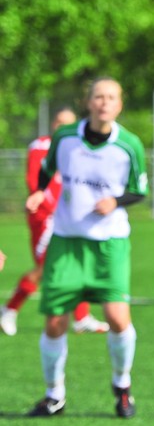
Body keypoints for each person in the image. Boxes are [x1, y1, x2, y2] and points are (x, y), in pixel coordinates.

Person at [24, 77, 148, 418]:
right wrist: (38, 191)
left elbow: (139, 190)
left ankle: (122, 387)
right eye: (98, 96)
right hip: (66, 241)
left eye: (111, 97)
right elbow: (47, 171)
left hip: (110, 245)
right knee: (54, 323)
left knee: (117, 318)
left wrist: (116, 201)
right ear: (88, 102)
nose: (104, 103)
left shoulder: (130, 145)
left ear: (119, 105)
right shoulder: (65, 138)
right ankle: (54, 396)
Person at [0, 108, 109, 337]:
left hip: (68, 217)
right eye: (59, 122)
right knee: (47, 267)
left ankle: (81, 318)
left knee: (78, 262)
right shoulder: (41, 146)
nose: (62, 127)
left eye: (67, 123)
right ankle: (9, 310)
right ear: (52, 124)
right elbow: (35, 181)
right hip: (45, 217)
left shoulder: (77, 148)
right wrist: (51, 207)